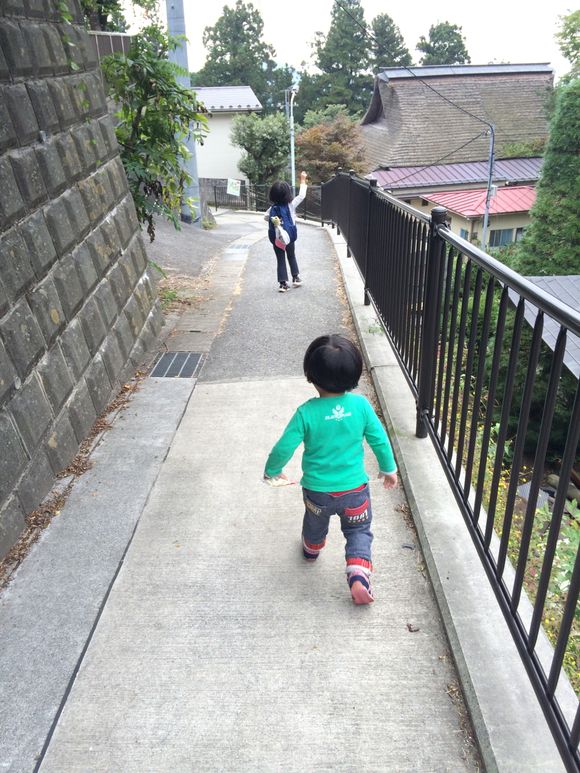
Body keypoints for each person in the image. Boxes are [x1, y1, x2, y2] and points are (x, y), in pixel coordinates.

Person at [264, 334, 398, 605]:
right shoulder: (360, 406)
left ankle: (312, 549)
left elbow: (284, 446)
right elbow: (379, 439)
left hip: (318, 492)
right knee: (359, 531)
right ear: (355, 375)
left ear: (310, 375)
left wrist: (272, 470)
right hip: (355, 491)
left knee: (315, 523)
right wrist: (388, 468)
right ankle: (359, 574)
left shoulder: (306, 412)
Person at [264, 170, 308, 293]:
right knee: (291, 255)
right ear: (287, 194)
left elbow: (266, 217)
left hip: (277, 238)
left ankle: (283, 284)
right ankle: (296, 277)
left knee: (280, 259)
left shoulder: (272, 208)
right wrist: (303, 180)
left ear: (273, 195)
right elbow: (301, 196)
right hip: (288, 236)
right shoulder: (290, 205)